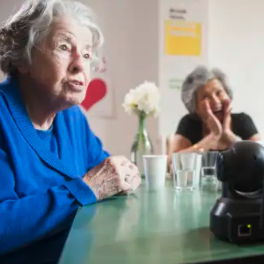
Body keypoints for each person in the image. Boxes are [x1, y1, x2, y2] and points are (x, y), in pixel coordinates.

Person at [0, 0, 141, 262]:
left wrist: (124, 177)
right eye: (64, 47)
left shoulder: (72, 118)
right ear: (24, 58)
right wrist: (86, 189)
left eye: (86, 55)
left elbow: (104, 173)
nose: (80, 65)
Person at [171, 66, 261, 154]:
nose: (216, 101)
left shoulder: (243, 120)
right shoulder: (189, 123)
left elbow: (261, 157)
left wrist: (229, 136)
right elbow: (172, 163)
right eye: (205, 97)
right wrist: (213, 136)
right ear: (195, 107)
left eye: (219, 93)